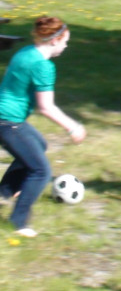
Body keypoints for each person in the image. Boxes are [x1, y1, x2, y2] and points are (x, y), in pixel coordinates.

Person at [0, 16, 86, 237]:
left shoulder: (26, 52)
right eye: (65, 41)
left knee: (38, 144)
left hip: (7, 119)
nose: (66, 45)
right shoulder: (43, 66)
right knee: (40, 171)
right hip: (7, 122)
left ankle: (4, 193)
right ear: (55, 40)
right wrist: (72, 127)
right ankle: (19, 223)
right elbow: (45, 107)